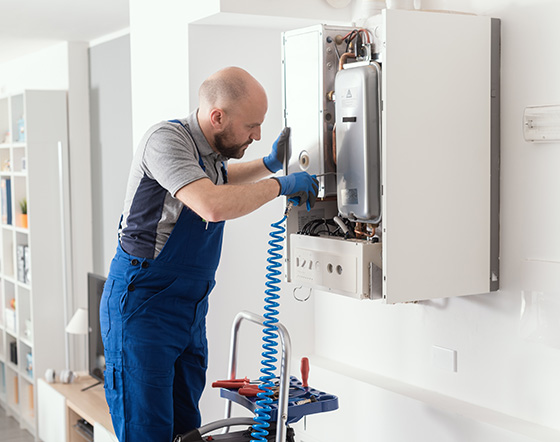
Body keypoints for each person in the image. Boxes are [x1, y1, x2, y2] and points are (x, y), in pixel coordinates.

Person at [99, 66, 319, 442]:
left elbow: (221, 180)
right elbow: (211, 203)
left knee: (187, 431)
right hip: (142, 307)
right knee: (147, 432)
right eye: (251, 125)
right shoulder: (165, 140)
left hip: (188, 310)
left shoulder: (211, 155)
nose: (258, 134)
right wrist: (279, 185)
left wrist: (267, 163)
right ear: (217, 117)